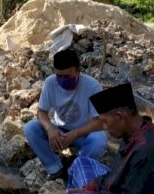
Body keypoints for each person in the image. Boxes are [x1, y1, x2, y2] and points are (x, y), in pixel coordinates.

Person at [24, 49, 107, 181]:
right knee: (30, 128)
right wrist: (50, 129)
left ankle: (77, 170)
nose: (62, 80)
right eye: (59, 76)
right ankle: (55, 168)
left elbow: (100, 122)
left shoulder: (92, 86)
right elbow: (41, 112)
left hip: (83, 133)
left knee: (99, 140)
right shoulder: (50, 82)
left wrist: (75, 133)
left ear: (78, 70)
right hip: (59, 132)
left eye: (67, 76)